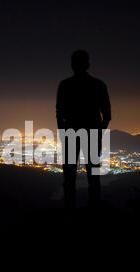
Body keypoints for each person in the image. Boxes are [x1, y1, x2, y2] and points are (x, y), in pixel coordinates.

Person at [56, 50, 111, 208]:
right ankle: (93, 211)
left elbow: (59, 114)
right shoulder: (98, 85)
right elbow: (107, 115)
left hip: (71, 134)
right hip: (92, 134)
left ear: (72, 64)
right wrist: (99, 133)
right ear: (88, 64)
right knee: (93, 177)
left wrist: (63, 134)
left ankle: (70, 211)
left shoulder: (65, 85)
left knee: (69, 177)